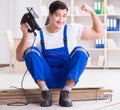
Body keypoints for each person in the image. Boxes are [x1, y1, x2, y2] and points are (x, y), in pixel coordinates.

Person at [16, 0, 104, 107]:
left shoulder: (72, 29)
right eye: (57, 15)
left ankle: (66, 92)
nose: (61, 20)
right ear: (50, 15)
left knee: (81, 51)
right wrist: (25, 35)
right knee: (30, 52)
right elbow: (19, 57)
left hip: (65, 77)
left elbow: (99, 33)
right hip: (45, 78)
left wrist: (91, 12)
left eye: (64, 16)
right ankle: (45, 92)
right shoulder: (38, 34)